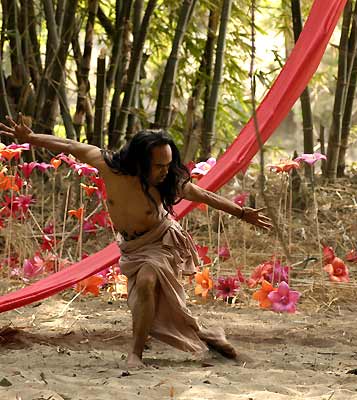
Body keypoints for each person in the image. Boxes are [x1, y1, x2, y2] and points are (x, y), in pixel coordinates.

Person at [0, 114, 273, 368]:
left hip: (161, 240)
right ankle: (205, 334)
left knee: (147, 280)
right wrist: (31, 138)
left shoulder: (169, 182)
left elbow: (204, 195)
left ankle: (135, 354)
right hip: (131, 247)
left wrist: (242, 212)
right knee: (156, 300)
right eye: (159, 165)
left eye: (168, 164)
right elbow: (70, 145)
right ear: (140, 161)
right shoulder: (109, 166)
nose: (165, 171)